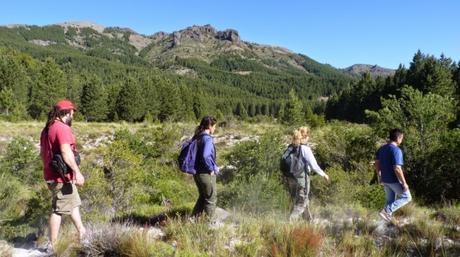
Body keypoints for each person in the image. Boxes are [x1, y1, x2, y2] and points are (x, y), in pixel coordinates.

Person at [39, 100, 86, 249]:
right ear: (66, 113)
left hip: (53, 175)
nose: (73, 115)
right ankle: (53, 245)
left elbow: (42, 154)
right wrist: (77, 173)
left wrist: (49, 170)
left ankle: (82, 232)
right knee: (58, 210)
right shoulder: (62, 128)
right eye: (72, 112)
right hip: (61, 177)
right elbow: (66, 152)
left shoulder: (47, 129)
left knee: (73, 204)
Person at [287, 127, 330, 221]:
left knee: (299, 200)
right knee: (301, 201)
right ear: (305, 136)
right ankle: (290, 221)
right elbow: (314, 165)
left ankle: (309, 222)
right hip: (302, 179)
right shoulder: (305, 149)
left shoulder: (291, 147)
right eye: (308, 136)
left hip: (290, 179)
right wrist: (324, 175)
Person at [375, 128, 412, 222]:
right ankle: (386, 211)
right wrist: (404, 183)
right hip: (394, 180)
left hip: (385, 180)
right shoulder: (396, 150)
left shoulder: (381, 149)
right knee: (407, 197)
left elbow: (377, 164)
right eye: (402, 138)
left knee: (390, 201)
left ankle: (383, 224)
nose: (402, 140)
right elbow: (397, 168)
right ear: (398, 138)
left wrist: (379, 176)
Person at [191, 116, 219, 221]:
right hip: (205, 173)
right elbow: (205, 155)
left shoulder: (197, 136)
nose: (215, 129)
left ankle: (193, 219)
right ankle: (209, 223)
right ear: (209, 126)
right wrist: (211, 168)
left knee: (203, 197)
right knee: (211, 198)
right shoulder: (207, 139)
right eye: (214, 126)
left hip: (197, 172)